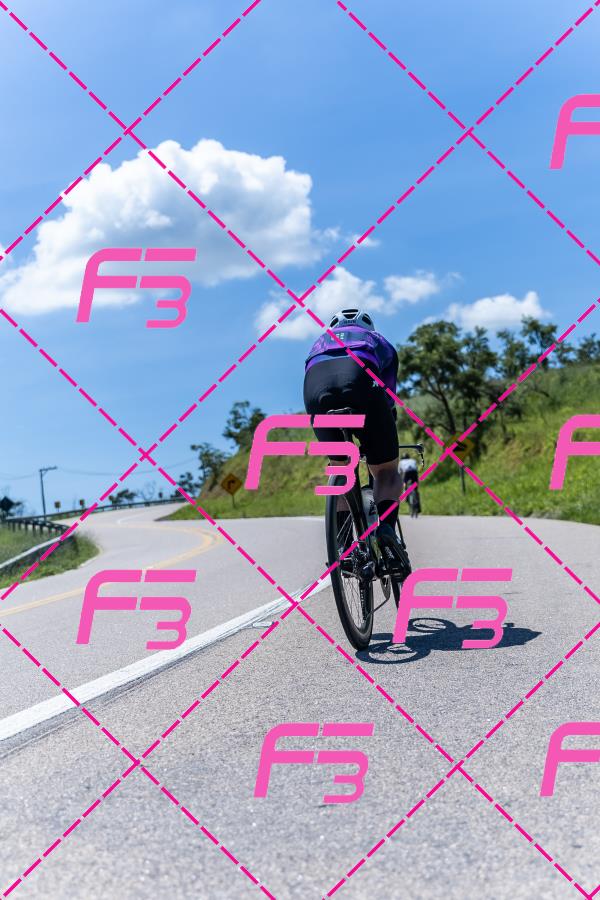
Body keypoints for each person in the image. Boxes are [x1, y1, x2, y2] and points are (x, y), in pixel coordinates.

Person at [303, 308, 409, 574]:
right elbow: (388, 396)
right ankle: (386, 533)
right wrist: (383, 431)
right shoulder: (377, 340)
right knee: (385, 471)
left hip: (316, 392)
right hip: (360, 380)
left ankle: (343, 547)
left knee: (342, 467)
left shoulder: (318, 343)